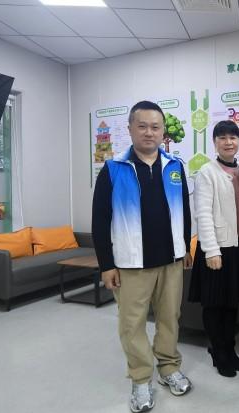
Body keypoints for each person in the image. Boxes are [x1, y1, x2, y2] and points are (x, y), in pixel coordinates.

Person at [92, 100, 193, 413]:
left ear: (163, 132)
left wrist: (186, 248)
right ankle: (140, 378)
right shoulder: (113, 169)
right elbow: (99, 220)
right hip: (131, 263)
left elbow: (184, 210)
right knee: (132, 323)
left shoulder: (174, 166)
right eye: (143, 126)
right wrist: (106, 264)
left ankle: (168, 367)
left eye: (155, 127)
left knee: (169, 317)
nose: (149, 132)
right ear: (130, 129)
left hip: (171, 260)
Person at [189, 120, 239, 378]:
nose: (228, 142)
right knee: (214, 304)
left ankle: (229, 347)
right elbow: (202, 214)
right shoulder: (207, 172)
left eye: (233, 137)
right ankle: (218, 351)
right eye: (222, 138)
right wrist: (211, 250)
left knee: (231, 302)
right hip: (216, 248)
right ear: (215, 142)